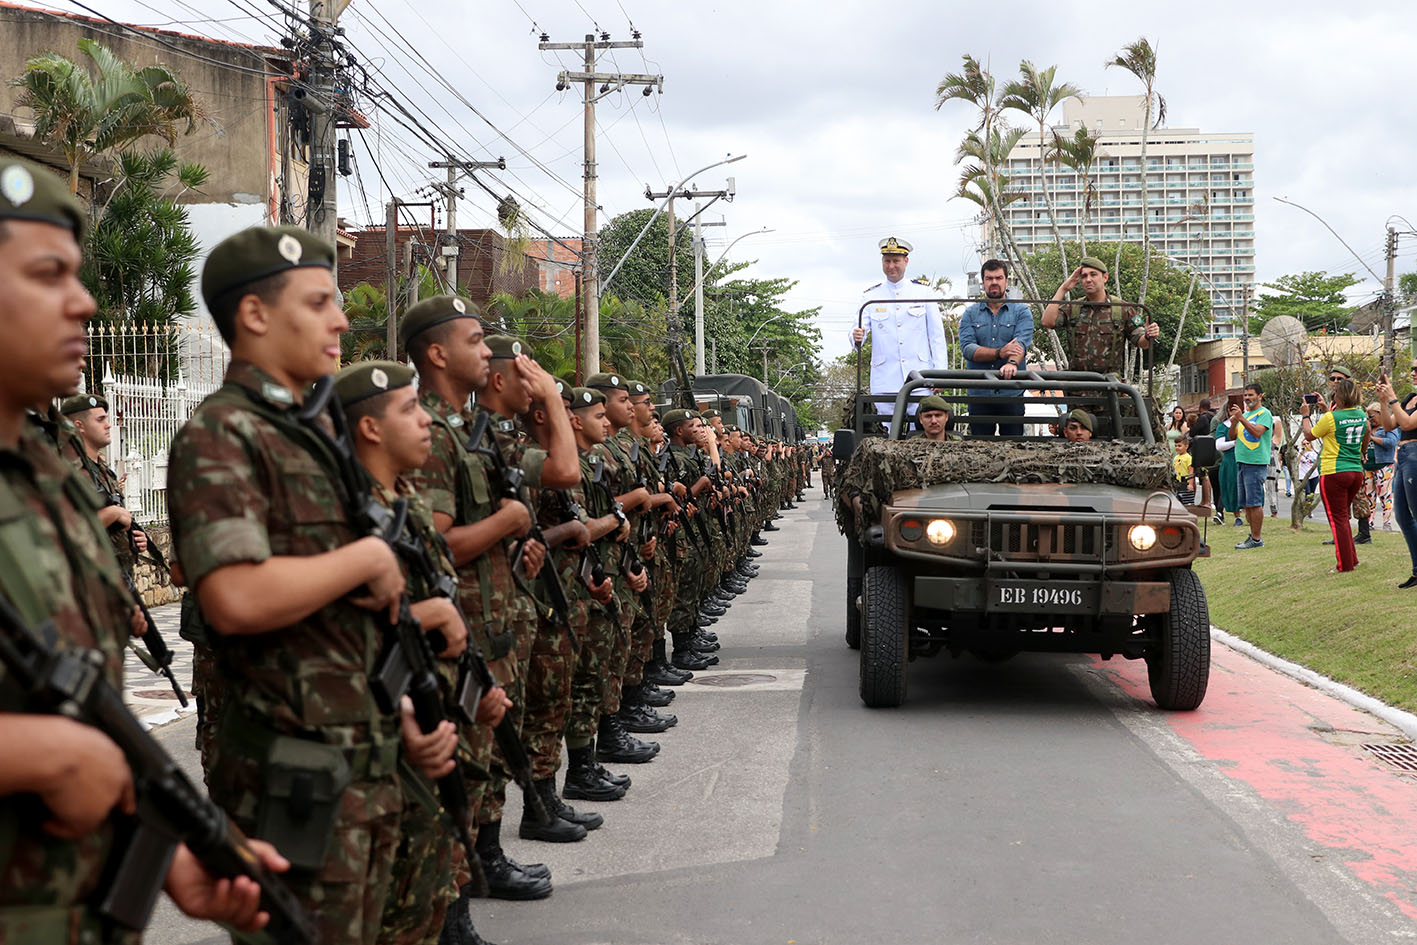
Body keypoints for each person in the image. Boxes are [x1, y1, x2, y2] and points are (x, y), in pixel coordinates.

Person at [0, 155, 291, 944]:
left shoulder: (41, 478)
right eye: (48, 274)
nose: (85, 302)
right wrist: (43, 753)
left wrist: (158, 857)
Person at [166, 226, 463, 945]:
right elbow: (234, 598)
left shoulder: (307, 436)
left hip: (362, 761)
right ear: (255, 316)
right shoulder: (224, 432)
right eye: (319, 301)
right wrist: (364, 560)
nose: (340, 320)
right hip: (294, 781)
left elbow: (339, 633)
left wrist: (402, 723)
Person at [848, 237, 948, 410]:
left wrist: (939, 374)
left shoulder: (923, 292)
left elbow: (937, 336)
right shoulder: (871, 296)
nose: (891, 265)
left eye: (896, 261)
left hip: (920, 377)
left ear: (906, 261)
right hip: (885, 379)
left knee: (918, 431)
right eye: (887, 261)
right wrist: (856, 336)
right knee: (887, 431)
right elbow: (857, 333)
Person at [1041, 255, 1160, 377]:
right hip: (1077, 387)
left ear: (1105, 277)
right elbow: (1047, 322)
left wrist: (1148, 334)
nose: (1088, 279)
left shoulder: (1124, 309)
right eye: (1084, 276)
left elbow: (1142, 342)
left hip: (1109, 388)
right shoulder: (1074, 308)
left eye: (1093, 274)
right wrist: (1063, 289)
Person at [1301, 377, 1368, 572]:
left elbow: (1309, 435)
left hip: (1334, 472)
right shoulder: (1361, 414)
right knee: (1343, 519)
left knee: (1337, 520)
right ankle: (1352, 559)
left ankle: (1344, 565)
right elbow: (1367, 432)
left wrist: (1305, 415)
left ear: (1340, 396)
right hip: (1355, 470)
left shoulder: (1331, 418)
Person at [959, 259, 1032, 435]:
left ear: (1006, 281)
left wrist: (1012, 363)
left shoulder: (1021, 311)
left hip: (1011, 393)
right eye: (989, 278)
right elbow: (968, 349)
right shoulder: (970, 313)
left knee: (1014, 448)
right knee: (979, 450)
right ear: (982, 283)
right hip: (979, 395)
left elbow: (1021, 342)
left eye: (998, 278)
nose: (994, 282)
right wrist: (1000, 353)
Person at [1376, 368, 1417, 587]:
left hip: (1415, 455)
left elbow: (1409, 424)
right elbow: (1389, 425)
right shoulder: (1410, 398)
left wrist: (1392, 398)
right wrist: (1384, 401)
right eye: (1411, 368)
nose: (1412, 372)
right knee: (1402, 516)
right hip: (1402, 457)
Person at [1224, 383, 1274, 549]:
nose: (1247, 398)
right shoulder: (1244, 414)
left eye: (1251, 395)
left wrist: (1242, 419)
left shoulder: (1264, 413)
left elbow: (1257, 432)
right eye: (1245, 395)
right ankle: (1252, 536)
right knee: (1246, 503)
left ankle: (1257, 538)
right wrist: (1234, 422)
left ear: (1260, 396)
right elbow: (1232, 437)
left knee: (1254, 502)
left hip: (1256, 462)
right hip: (1241, 461)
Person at [1360, 401, 1398, 541]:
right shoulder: (1368, 428)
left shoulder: (1389, 427)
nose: (1370, 419)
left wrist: (1372, 438)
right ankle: (1369, 523)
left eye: (1372, 416)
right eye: (1368, 417)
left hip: (1383, 466)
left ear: (1380, 414)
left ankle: (1386, 523)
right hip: (1368, 466)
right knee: (1368, 496)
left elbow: (1391, 443)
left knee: (1384, 496)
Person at [1173, 435, 1195, 504]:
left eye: (1179, 446)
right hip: (1177, 483)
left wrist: (1190, 484)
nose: (1177, 448)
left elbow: (1191, 471)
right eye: (1176, 446)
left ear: (1186, 446)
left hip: (1186, 483)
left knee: (1186, 502)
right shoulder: (1175, 457)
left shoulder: (1188, 458)